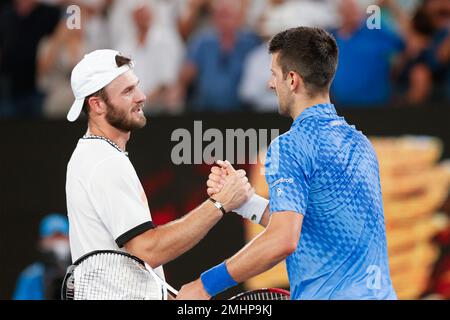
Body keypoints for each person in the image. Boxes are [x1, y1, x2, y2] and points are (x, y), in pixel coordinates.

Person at [176, 26, 397, 300]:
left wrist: (204, 285)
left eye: (274, 74)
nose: (271, 84)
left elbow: (283, 239)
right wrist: (246, 202)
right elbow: (314, 227)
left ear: (292, 79)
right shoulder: (361, 144)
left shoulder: (290, 145)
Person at [65, 49, 253, 296]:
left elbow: (129, 265)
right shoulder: (105, 162)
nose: (141, 97)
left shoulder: (96, 155)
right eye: (127, 91)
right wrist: (220, 203)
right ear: (97, 105)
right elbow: (147, 251)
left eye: (137, 86)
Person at [13, 213, 71, 300]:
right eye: (53, 238)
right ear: (42, 241)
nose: (58, 242)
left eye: (62, 237)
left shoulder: (80, 274)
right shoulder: (31, 276)